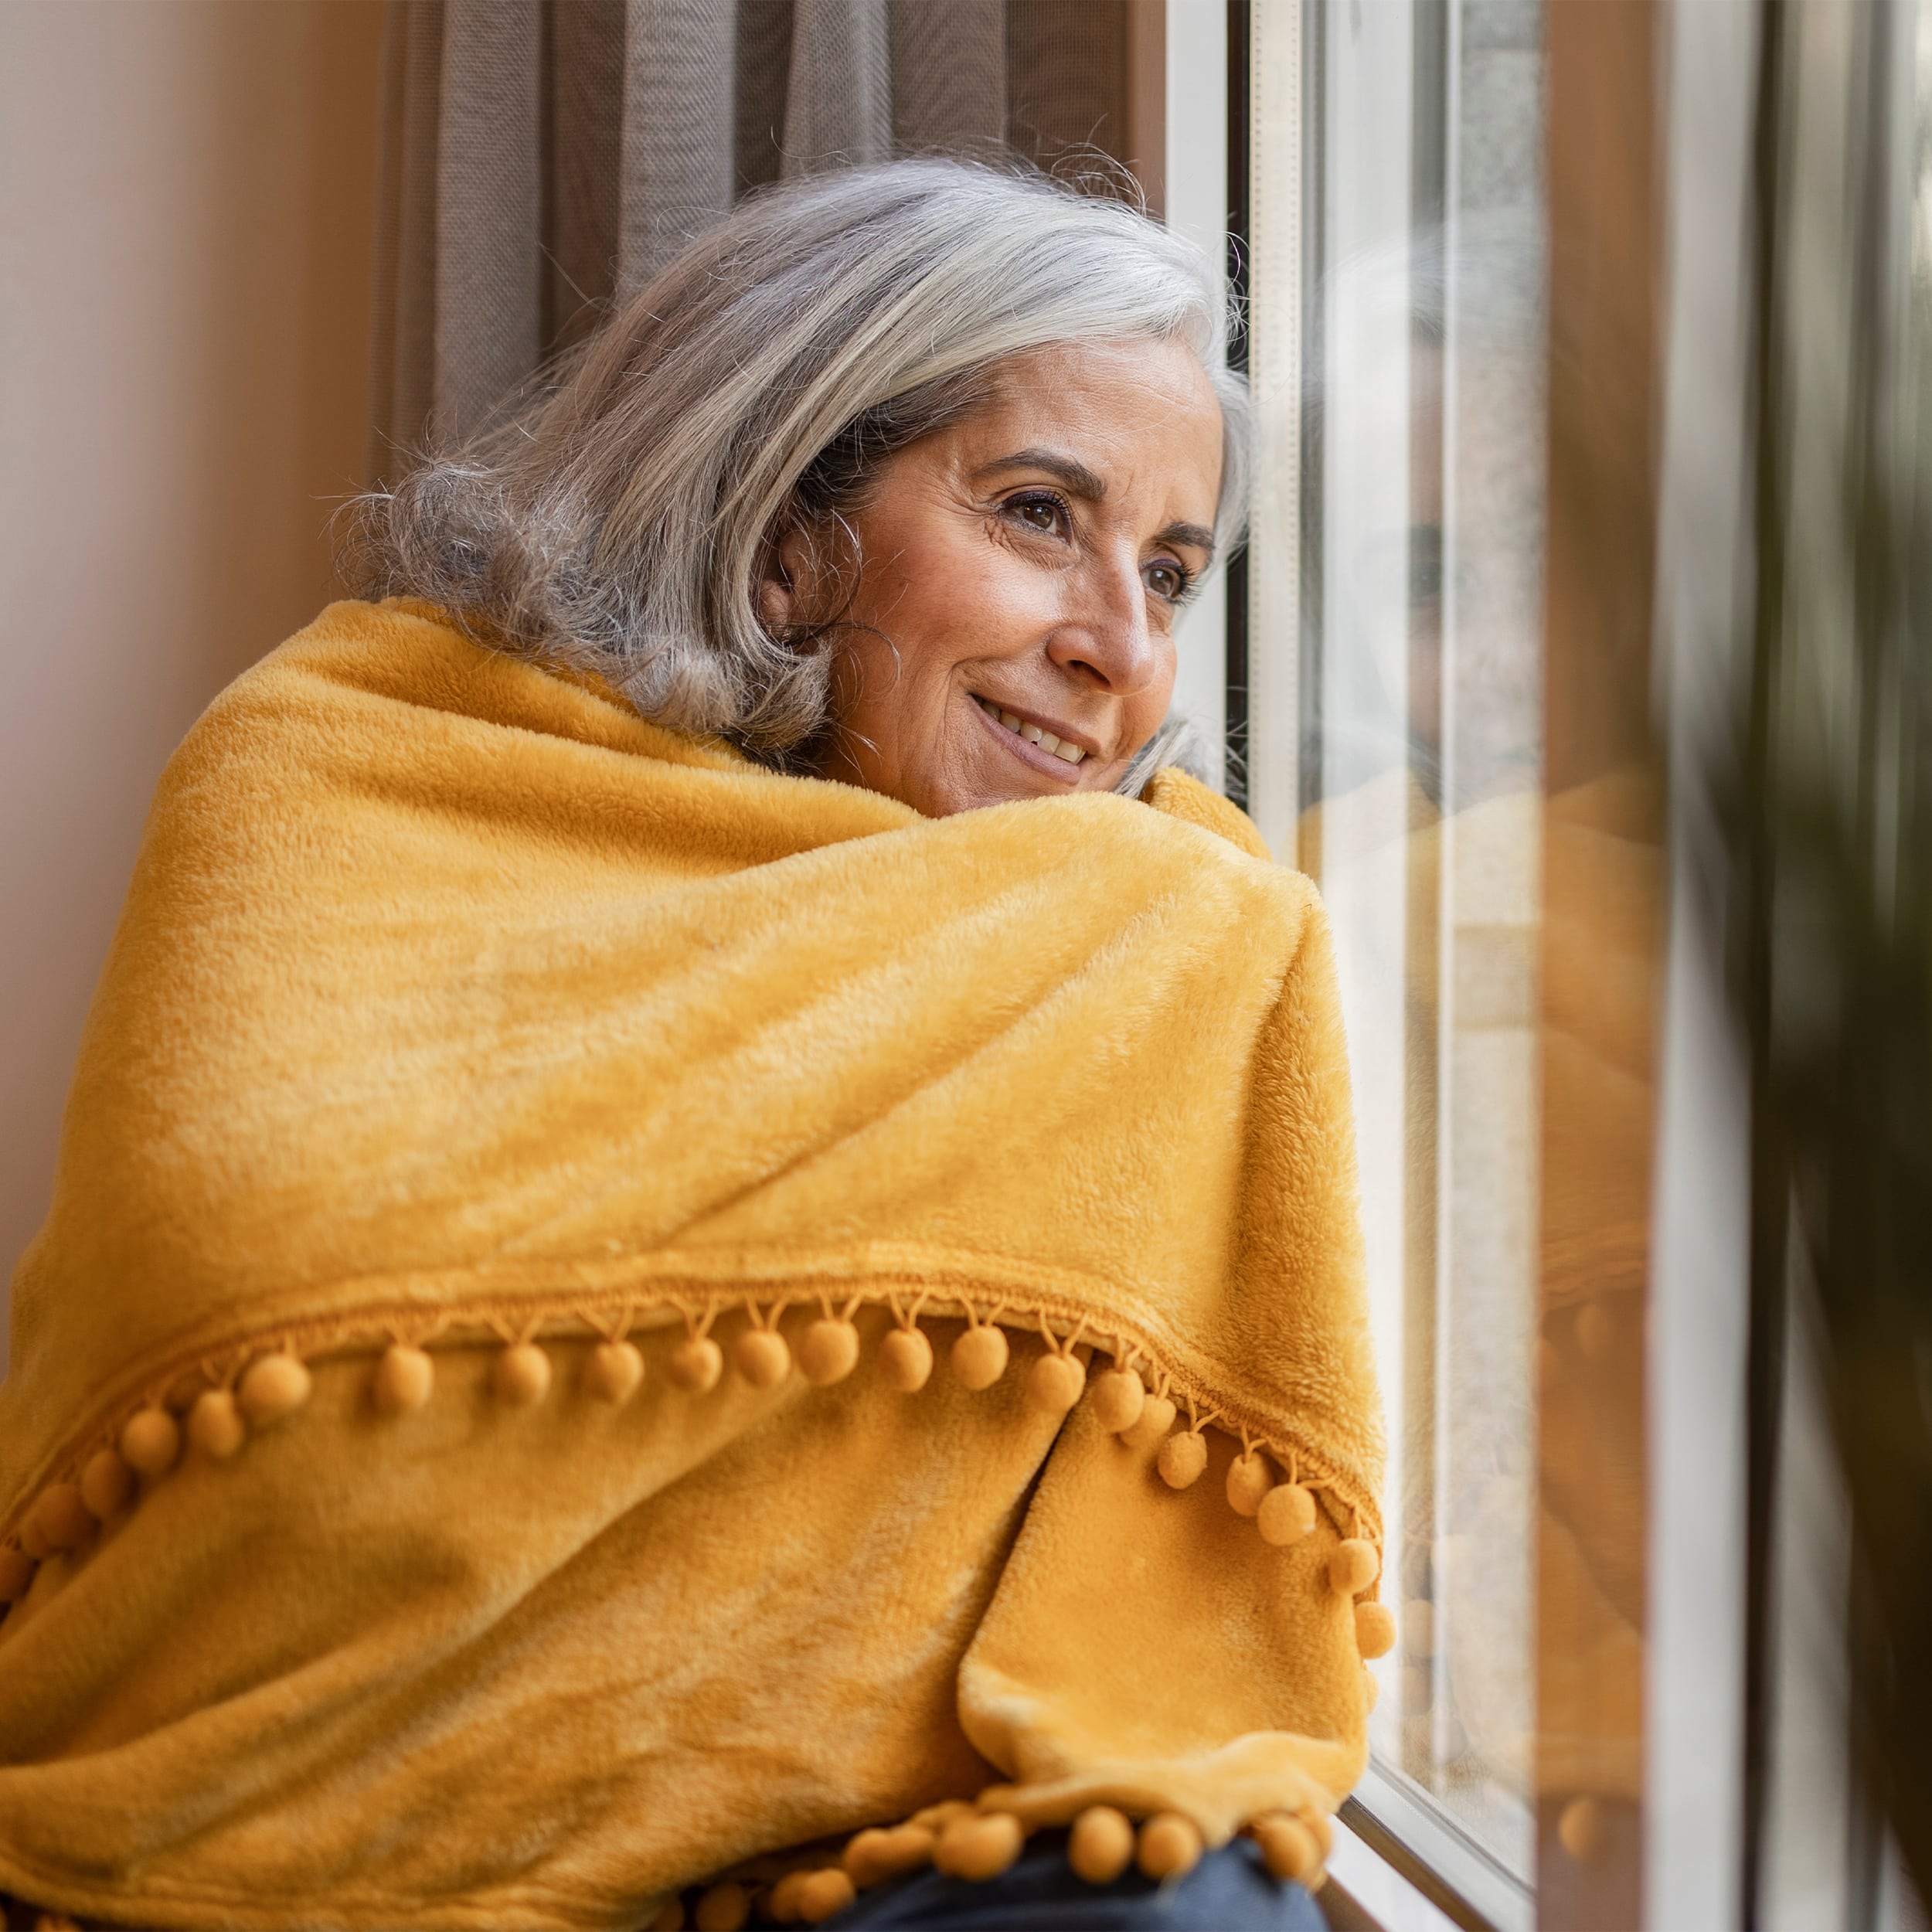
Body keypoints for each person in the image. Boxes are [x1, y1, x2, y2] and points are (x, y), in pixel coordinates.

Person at [0, 160, 1384, 1932]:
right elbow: (245, 1296)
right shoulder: (344, 755)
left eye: (1171, 568)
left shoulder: (1148, 933)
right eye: (1039, 514)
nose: (1121, 647)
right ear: (783, 521)